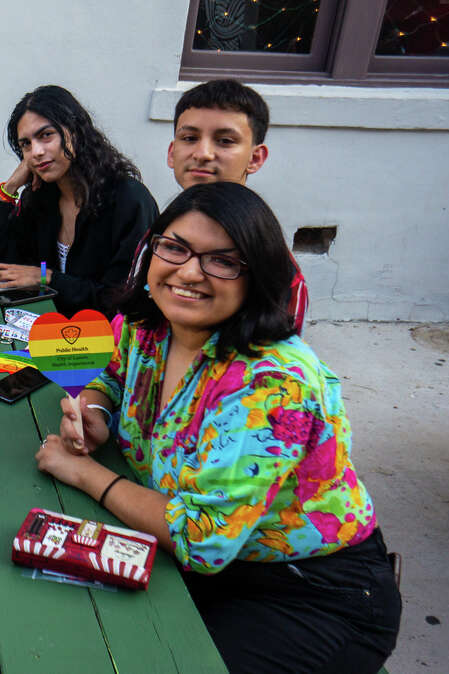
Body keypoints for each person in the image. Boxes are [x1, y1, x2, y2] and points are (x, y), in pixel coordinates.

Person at [34, 183, 400, 673]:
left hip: (308, 593)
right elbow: (111, 377)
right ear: (151, 252)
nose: (188, 272)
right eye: (175, 247)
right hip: (207, 568)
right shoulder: (146, 329)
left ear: (257, 276)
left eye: (222, 261)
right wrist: (95, 414)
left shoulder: (272, 384)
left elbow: (200, 537)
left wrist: (82, 472)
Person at [0, 85, 158, 317]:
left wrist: (46, 277)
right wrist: (10, 188)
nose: (36, 151)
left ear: (76, 132)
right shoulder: (41, 199)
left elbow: (118, 300)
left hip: (109, 343)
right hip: (46, 331)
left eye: (46, 135)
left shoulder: (128, 200)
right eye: (26, 144)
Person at [166, 78, 309, 331]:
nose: (203, 153)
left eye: (225, 141)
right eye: (189, 137)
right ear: (171, 152)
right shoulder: (157, 238)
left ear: (255, 158)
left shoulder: (275, 269)